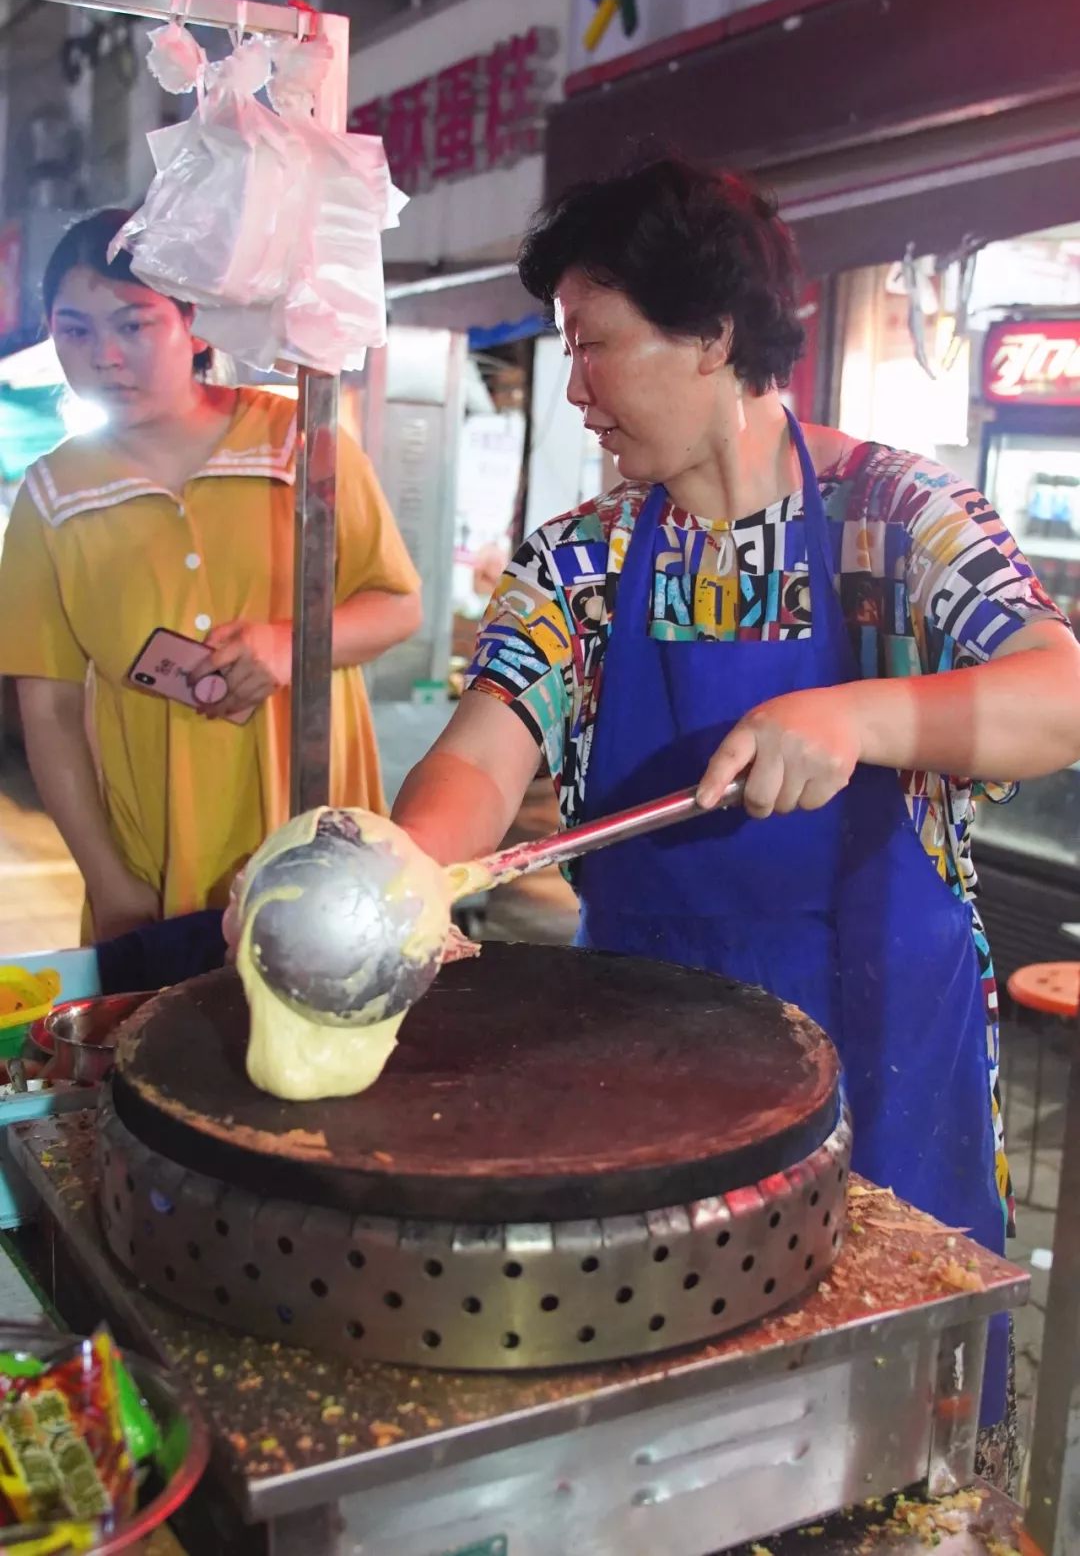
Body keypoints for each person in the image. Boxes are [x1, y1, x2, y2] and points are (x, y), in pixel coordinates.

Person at [390, 159, 1080, 1483]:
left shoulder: (899, 516)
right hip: (653, 1080)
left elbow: (1058, 697)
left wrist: (859, 718)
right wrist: (402, 869)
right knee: (692, 1450)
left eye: (593, 345)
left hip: (890, 1057)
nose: (574, 390)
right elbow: (481, 756)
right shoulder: (583, 558)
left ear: (711, 334)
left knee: (891, 1455)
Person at [0, 208, 421, 943]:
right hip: (153, 859)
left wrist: (289, 645)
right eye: (75, 330)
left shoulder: (300, 441)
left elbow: (397, 605)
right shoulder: (51, 496)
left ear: (192, 324)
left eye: (134, 325)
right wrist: (110, 882)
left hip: (316, 839)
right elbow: (49, 710)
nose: (104, 355)